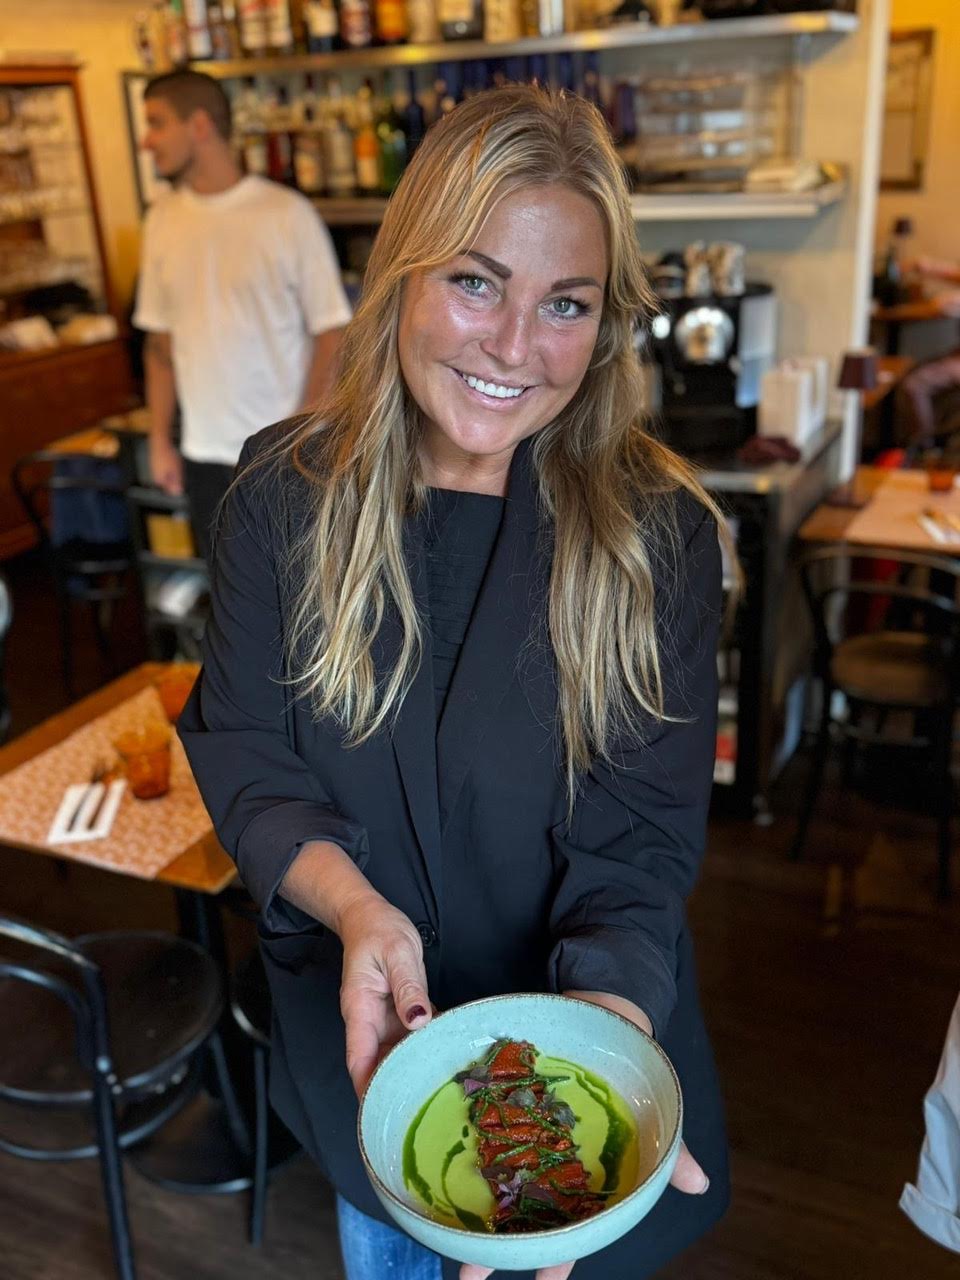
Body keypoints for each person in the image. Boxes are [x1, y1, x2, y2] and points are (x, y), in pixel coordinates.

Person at [180, 84, 731, 1280]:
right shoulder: (281, 497)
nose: (515, 347)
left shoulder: (658, 538)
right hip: (371, 1059)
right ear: (403, 278)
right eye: (476, 282)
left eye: (565, 302)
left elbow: (638, 839)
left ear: (605, 324)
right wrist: (356, 911)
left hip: (580, 1061)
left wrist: (602, 1047)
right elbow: (248, 751)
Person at [133, 70, 351, 560]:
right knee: (225, 594)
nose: (146, 141)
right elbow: (160, 346)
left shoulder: (286, 214)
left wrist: (301, 438)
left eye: (157, 123)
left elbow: (332, 335)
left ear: (200, 125)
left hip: (283, 454)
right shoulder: (162, 219)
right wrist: (160, 441)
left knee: (304, 592)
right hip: (204, 456)